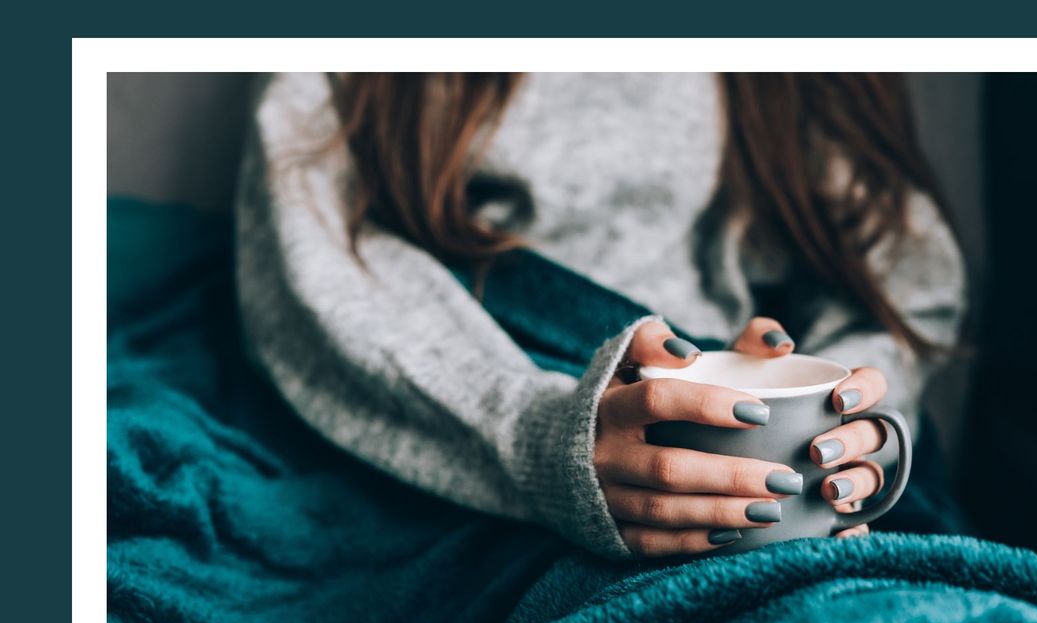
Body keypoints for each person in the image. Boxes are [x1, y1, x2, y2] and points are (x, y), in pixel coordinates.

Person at [236, 72, 965, 559]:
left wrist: (845, 421)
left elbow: (903, 274)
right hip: (467, 418)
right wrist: (544, 440)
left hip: (722, 425)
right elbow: (315, 249)